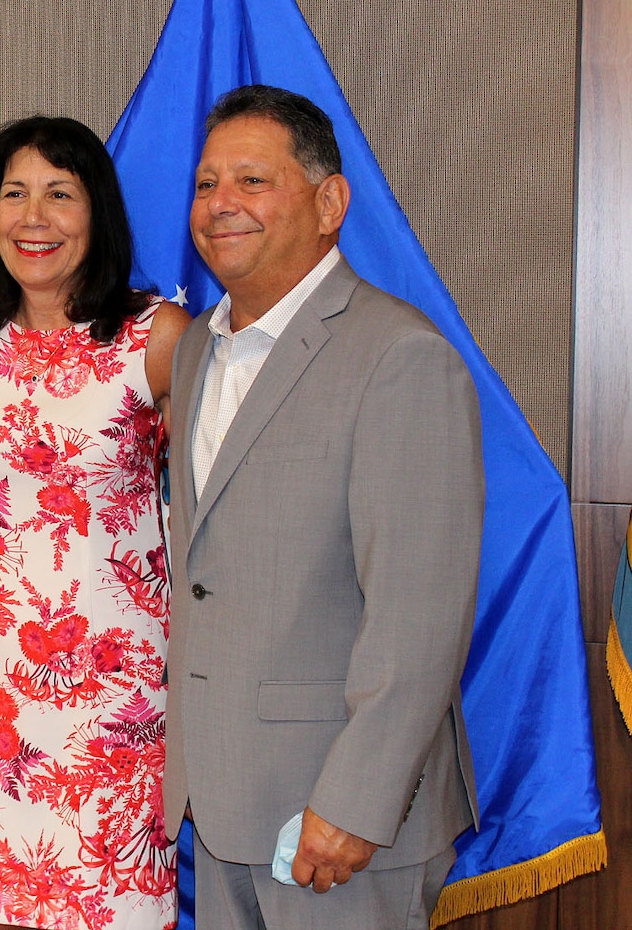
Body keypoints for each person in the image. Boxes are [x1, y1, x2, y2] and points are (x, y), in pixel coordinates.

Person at [166, 85, 482, 929]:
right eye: (204, 184)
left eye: (252, 180)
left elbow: (419, 613)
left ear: (330, 202)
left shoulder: (400, 356)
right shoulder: (199, 345)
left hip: (336, 820)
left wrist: (356, 801)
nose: (220, 203)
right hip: (221, 800)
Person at [0, 116, 188, 930]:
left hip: (113, 683)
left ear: (96, 212)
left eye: (59, 194)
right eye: (15, 193)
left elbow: (225, 493)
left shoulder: (157, 337)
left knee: (106, 906)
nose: (33, 217)